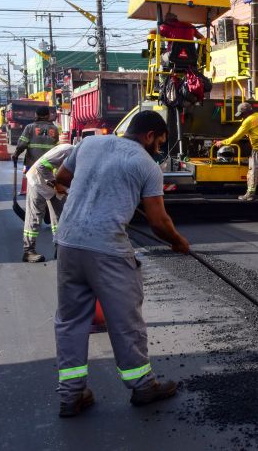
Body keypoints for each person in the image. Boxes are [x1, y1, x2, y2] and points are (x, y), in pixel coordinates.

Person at [53, 110, 190, 418]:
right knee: (124, 319)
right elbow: (158, 221)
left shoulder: (89, 145)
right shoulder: (145, 165)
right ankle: (143, 386)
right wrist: (177, 241)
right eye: (159, 142)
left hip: (68, 243)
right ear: (150, 136)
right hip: (107, 249)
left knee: (71, 320)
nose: (158, 149)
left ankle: (70, 396)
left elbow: (62, 179)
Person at [214, 102, 258, 201]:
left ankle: (250, 195)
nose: (241, 117)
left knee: (253, 171)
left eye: (241, 114)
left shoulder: (248, 121)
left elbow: (237, 136)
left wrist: (223, 142)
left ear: (246, 113)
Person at [21, 143, 73, 263]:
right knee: (35, 216)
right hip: (37, 181)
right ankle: (28, 251)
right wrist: (56, 185)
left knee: (60, 216)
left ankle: (59, 249)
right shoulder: (67, 151)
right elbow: (42, 167)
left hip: (53, 184)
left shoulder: (77, 157)